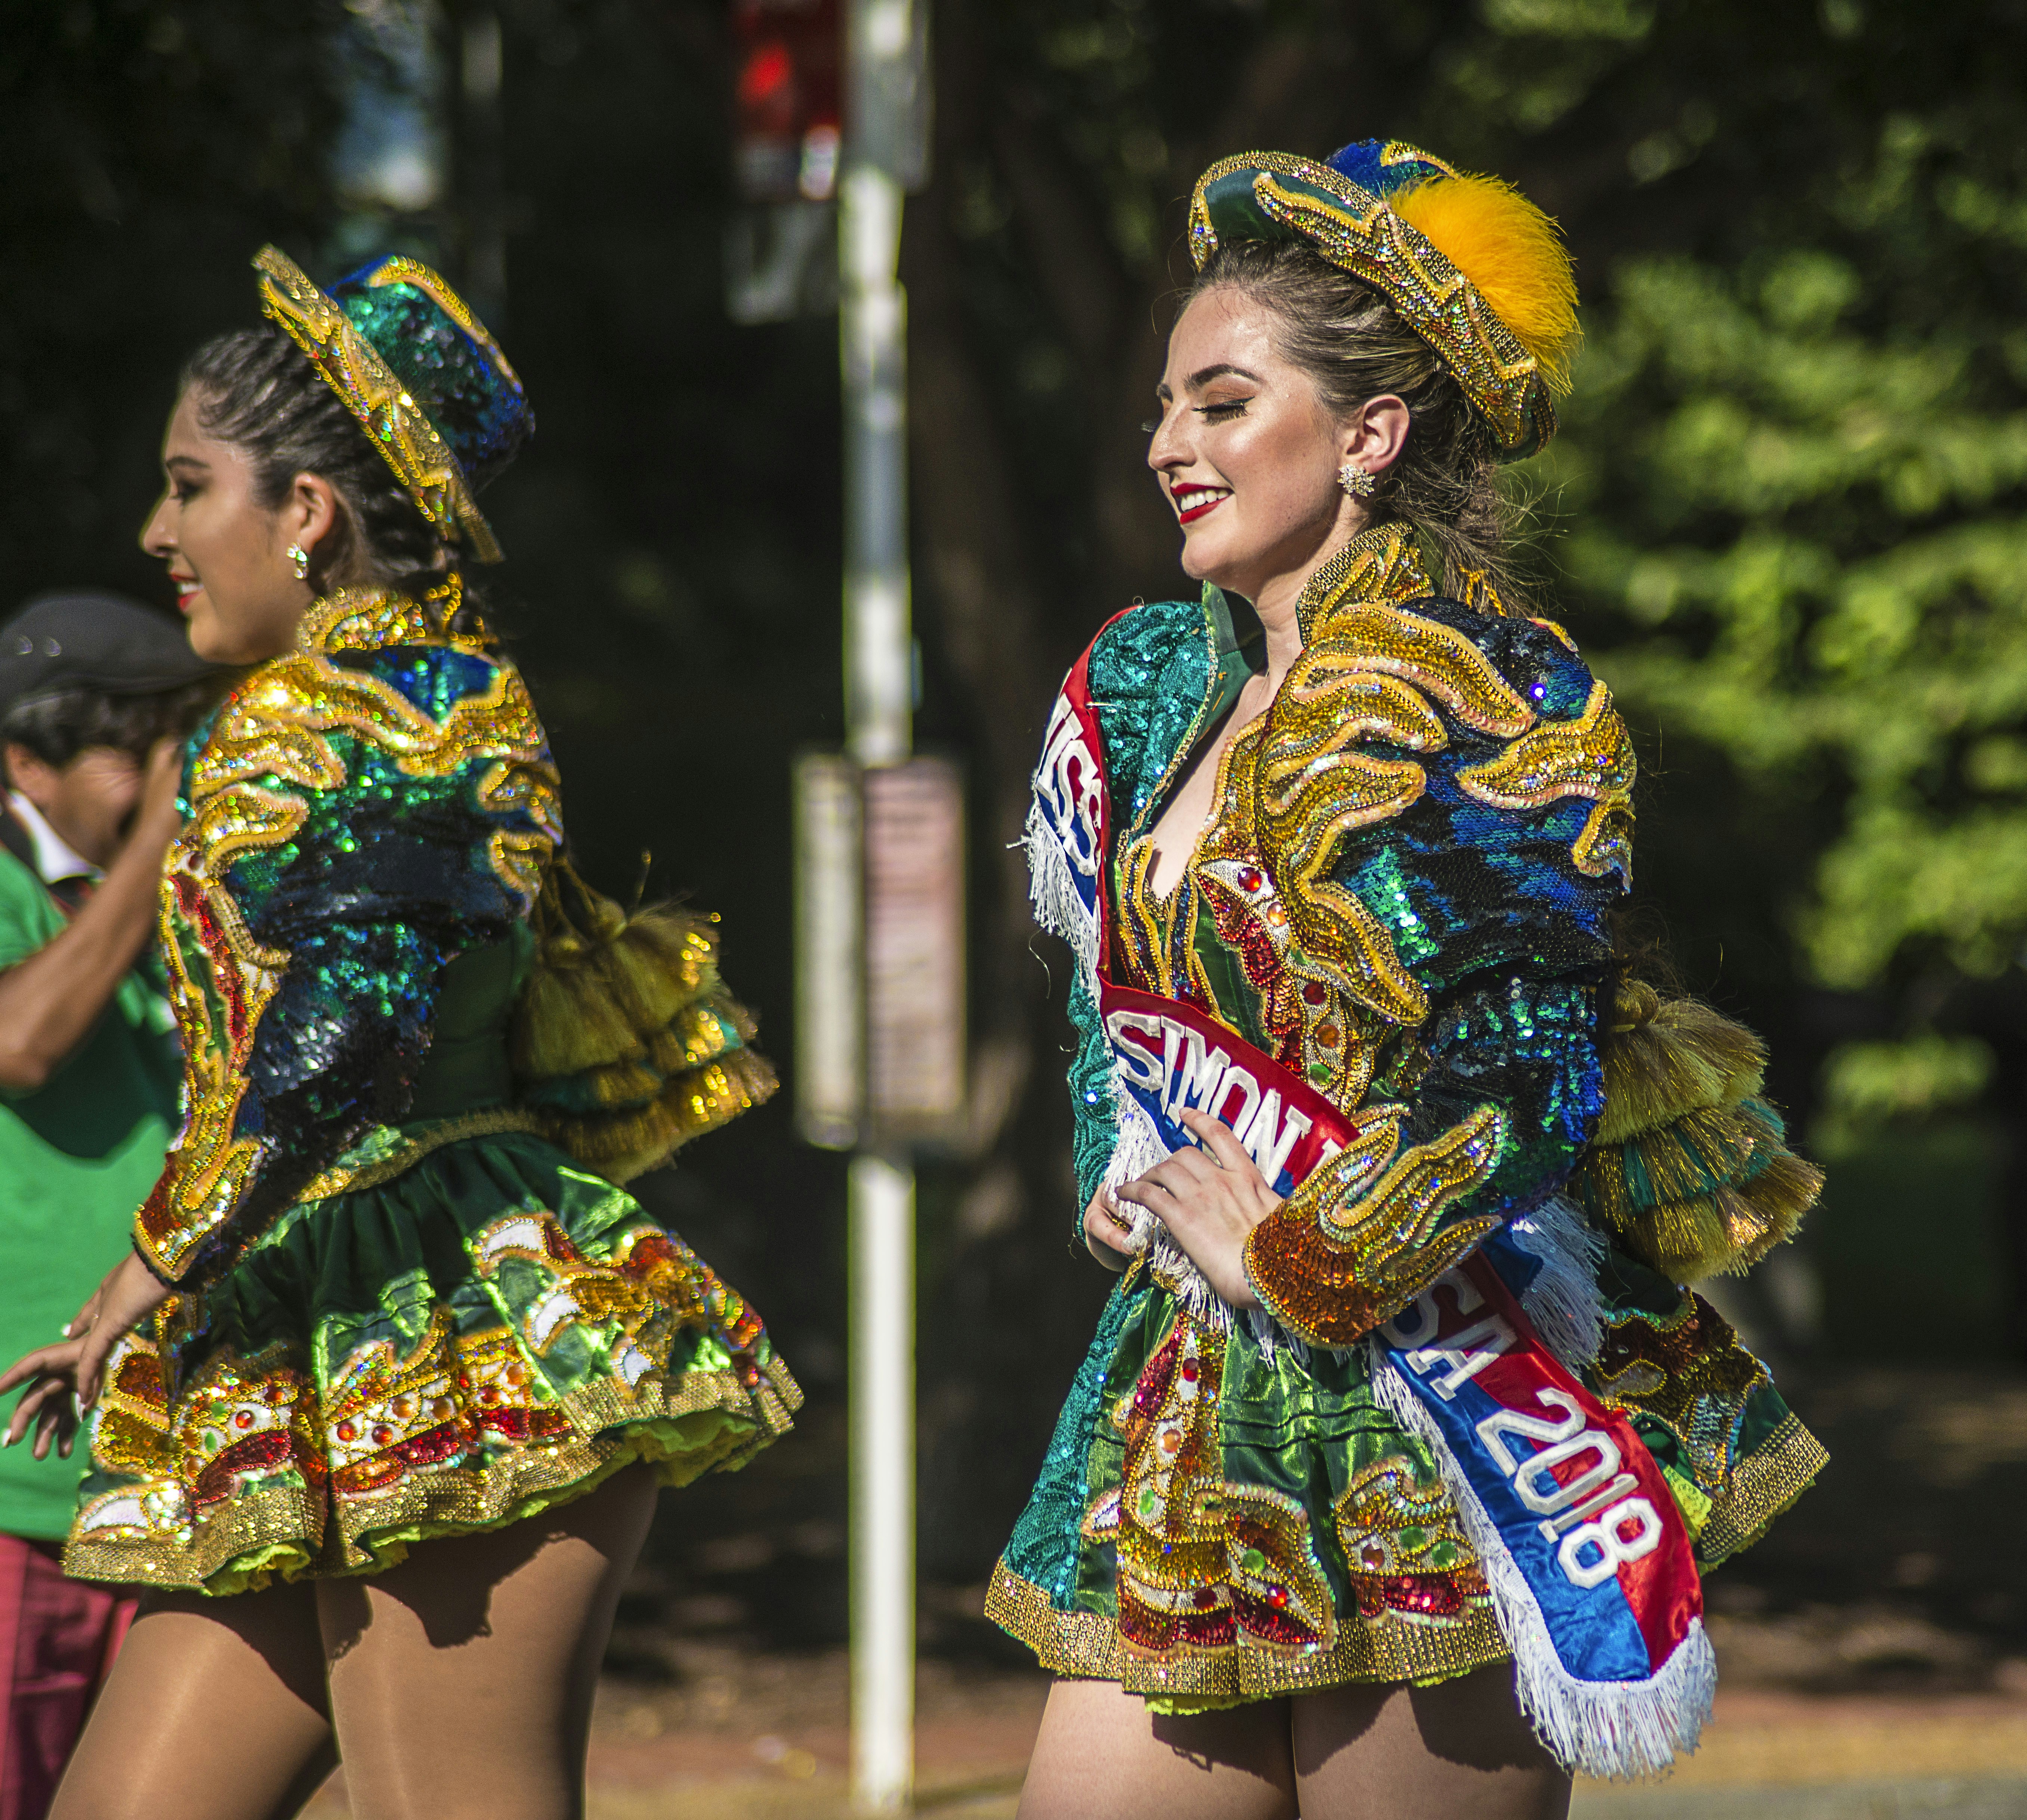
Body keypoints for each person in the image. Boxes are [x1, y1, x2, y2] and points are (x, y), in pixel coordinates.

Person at [994, 142, 1827, 1820]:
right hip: (1191, 1390)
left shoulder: (1474, 690)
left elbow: (1525, 1077)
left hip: (1431, 1398)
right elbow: (1110, 990)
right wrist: (1119, 1168)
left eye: (1224, 404)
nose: (1169, 446)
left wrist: (1302, 1253)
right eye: (1166, 408)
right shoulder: (1148, 683)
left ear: (1370, 435)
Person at [0, 247, 798, 1820]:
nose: (158, 531)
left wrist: (153, 1264)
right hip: (300, 1326)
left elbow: (354, 1015)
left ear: (304, 512)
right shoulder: (389, 700)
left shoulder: (365, 716)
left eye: (189, 486)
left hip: (442, 1324)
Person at [0, 591, 217, 1820]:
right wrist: (161, 840)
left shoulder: (180, 898)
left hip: (174, 1466)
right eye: (136, 752)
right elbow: (20, 1043)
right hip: (19, 1487)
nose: (168, 781)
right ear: (27, 761)